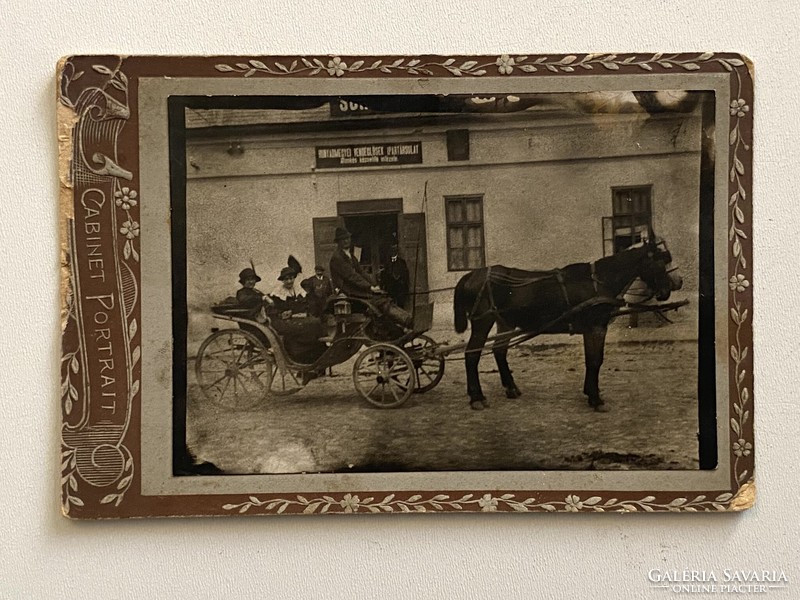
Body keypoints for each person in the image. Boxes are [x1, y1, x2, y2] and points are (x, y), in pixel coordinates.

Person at [329, 226, 413, 328]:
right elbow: (352, 276)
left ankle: (403, 320)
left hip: (354, 289)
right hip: (348, 291)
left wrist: (374, 284)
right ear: (338, 242)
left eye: (348, 238)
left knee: (382, 296)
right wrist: (369, 287)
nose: (347, 241)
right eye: (343, 239)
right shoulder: (337, 258)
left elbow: (362, 272)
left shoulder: (350, 255)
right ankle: (405, 321)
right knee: (378, 301)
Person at [379, 244, 410, 309]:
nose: (393, 252)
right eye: (392, 250)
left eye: (395, 250)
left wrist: (402, 281)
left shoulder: (402, 262)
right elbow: (384, 275)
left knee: (400, 304)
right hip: (390, 288)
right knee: (390, 305)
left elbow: (405, 275)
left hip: (400, 288)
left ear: (397, 252)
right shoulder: (387, 263)